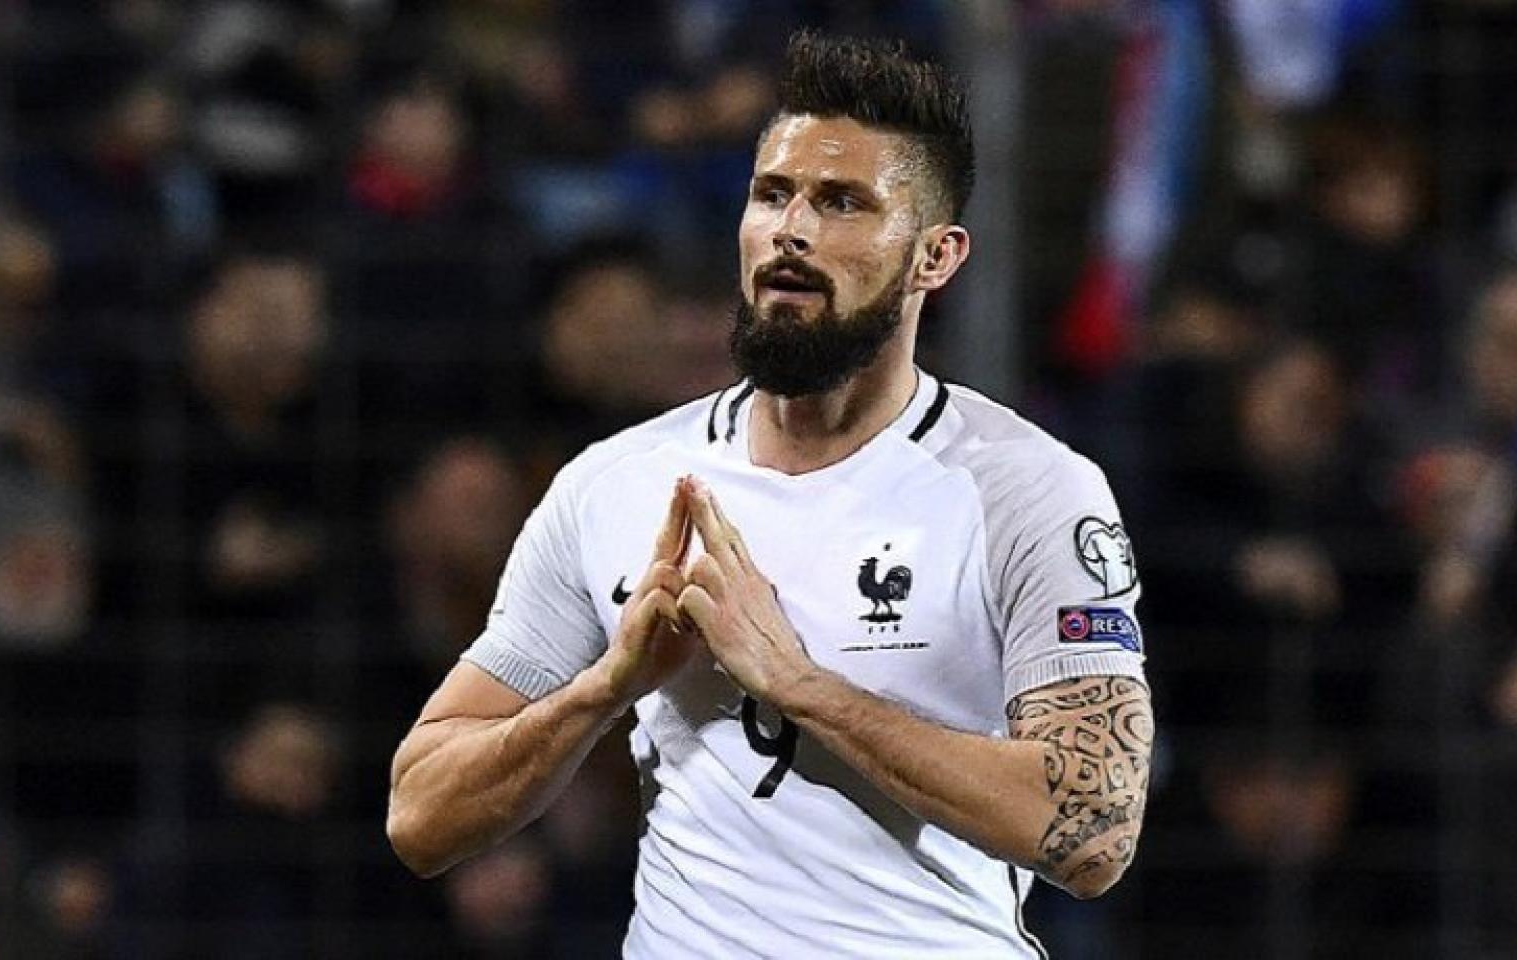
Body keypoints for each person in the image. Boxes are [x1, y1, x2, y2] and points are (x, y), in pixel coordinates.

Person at [387, 31, 1153, 957]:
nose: (791, 228)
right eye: (772, 194)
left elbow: (1095, 832)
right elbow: (420, 816)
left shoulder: (1026, 490)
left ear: (935, 257)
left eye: (842, 203)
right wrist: (604, 689)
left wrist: (801, 687)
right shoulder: (616, 483)